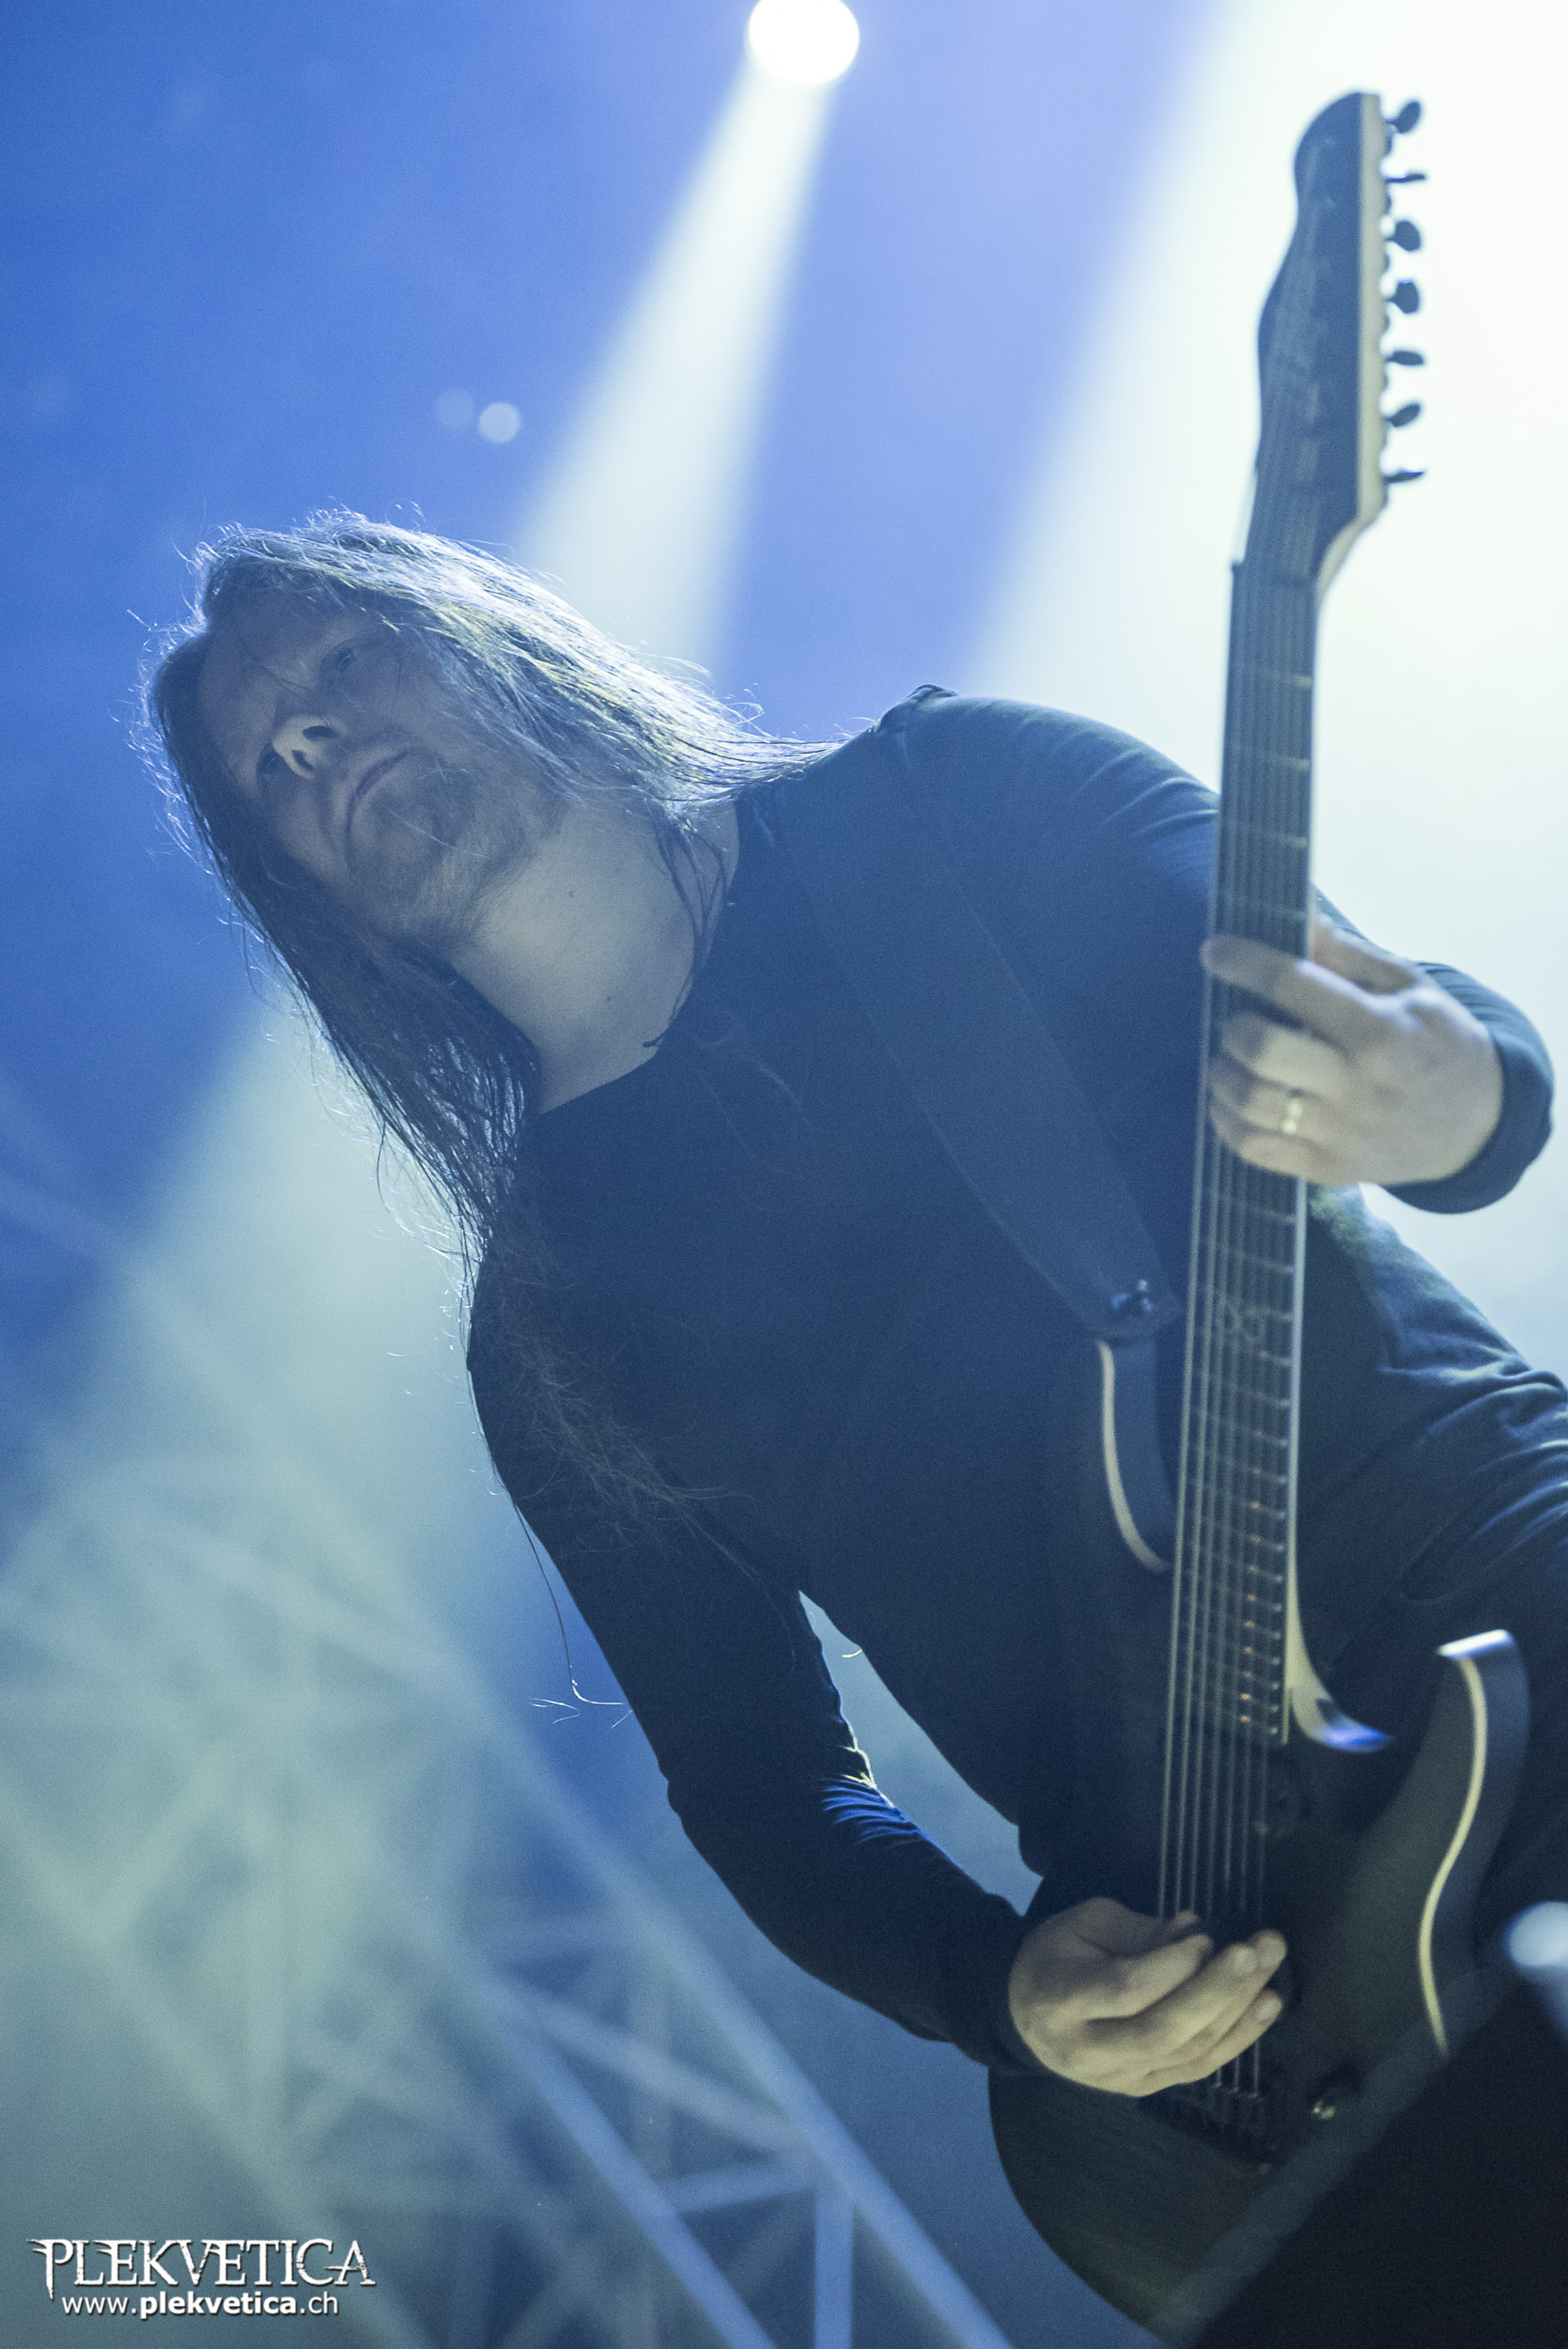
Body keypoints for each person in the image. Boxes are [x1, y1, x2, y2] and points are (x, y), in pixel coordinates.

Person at [148, 514, 1566, 2116]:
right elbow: (761, 1785)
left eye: (344, 660)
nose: (316, 735)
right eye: (273, 762)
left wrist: (1454, 1096)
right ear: (307, 902)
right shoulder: (547, 1336)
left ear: (496, 642)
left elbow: (1379, 1011)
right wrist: (1000, 1991)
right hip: (1233, 1943)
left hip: (1493, 1586)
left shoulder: (949, 795)